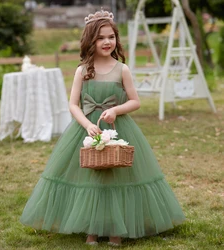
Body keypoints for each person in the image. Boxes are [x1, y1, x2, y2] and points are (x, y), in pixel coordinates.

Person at [20, 9, 185, 247]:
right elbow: (73, 104)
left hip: (117, 129)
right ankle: (92, 229)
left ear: (116, 38)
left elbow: (135, 101)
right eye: (100, 38)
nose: (107, 42)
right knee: (91, 177)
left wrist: (116, 110)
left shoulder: (122, 69)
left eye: (111, 36)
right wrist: (87, 124)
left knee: (116, 176)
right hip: (89, 131)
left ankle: (116, 229)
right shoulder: (83, 70)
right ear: (90, 41)